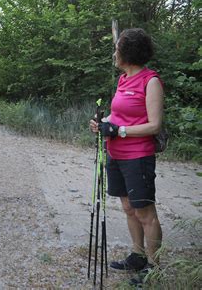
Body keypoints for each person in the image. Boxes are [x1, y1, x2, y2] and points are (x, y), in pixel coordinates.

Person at [89, 28, 164, 286]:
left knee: (146, 214)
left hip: (138, 157)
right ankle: (137, 255)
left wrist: (118, 130)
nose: (114, 53)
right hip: (116, 154)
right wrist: (104, 123)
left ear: (127, 53)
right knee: (129, 208)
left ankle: (154, 267)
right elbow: (120, 117)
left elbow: (154, 125)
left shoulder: (150, 81)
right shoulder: (123, 80)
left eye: (117, 48)